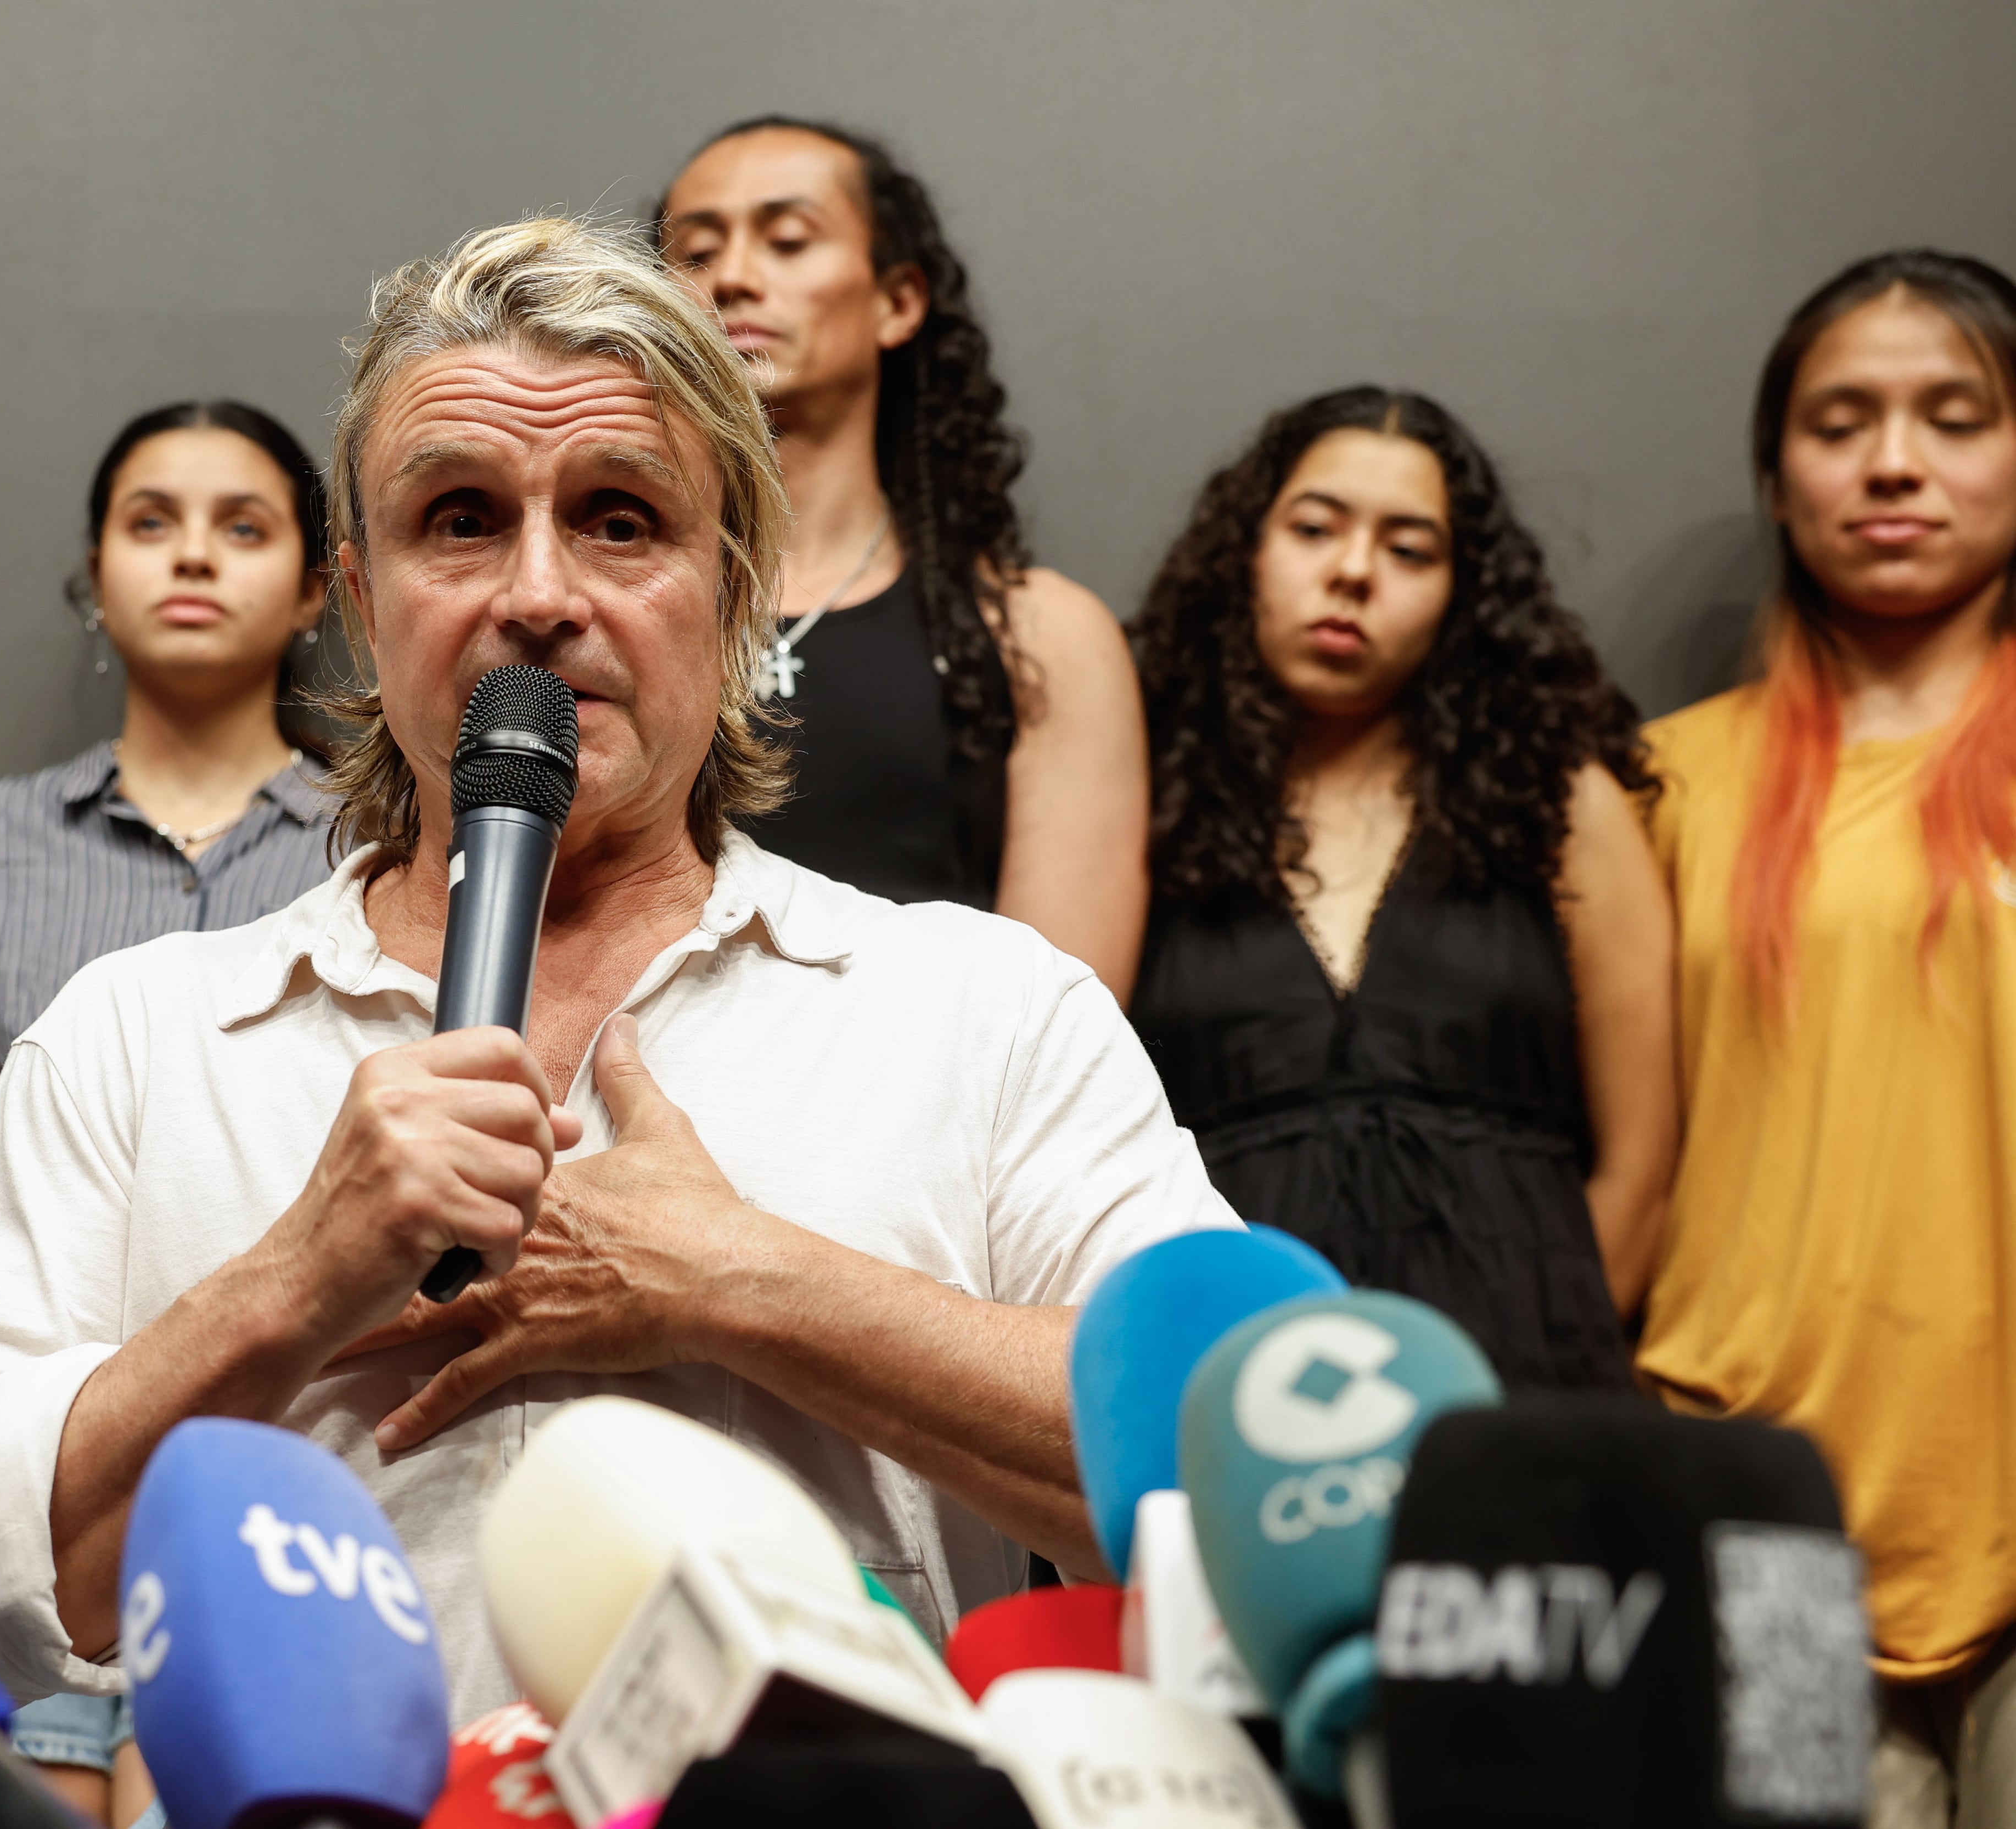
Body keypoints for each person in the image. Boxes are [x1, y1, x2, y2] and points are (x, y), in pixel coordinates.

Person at [0, 216, 1237, 1719]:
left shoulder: (981, 1010)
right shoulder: (137, 1039)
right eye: (458, 517)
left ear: (736, 590)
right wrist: (293, 1278)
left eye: (621, 519)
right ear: (362, 603)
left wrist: (747, 1284)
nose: (538, 593)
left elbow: (1237, 1495)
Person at [0, 401, 335, 1826]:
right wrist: (63, 1400)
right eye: (151, 521)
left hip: (296, 1466)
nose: (194, 554)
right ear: (93, 569)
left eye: (245, 525)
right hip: (24, 1465)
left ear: (320, 587)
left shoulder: (390, 850)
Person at [1638, 250, 2016, 1826]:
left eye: (1955, 416)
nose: (1894, 463)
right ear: (1779, 474)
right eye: (1842, 420)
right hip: (1762, 1517)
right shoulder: (1659, 781)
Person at [1126, 386, 1676, 1391]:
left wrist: (1550, 1353)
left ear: (1464, 594)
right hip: (1231, 1405)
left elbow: (1641, 1169)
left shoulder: (1562, 802)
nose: (1352, 571)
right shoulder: (1140, 798)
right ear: (1245, 550)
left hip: (1526, 1397)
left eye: (1410, 548)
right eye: (1314, 528)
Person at [655, 119, 1149, 994]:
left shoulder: (1040, 636)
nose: (731, 275)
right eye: (694, 251)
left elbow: (1064, 1023)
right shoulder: (587, 608)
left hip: (939, 1118)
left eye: (788, 239)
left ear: (899, 301)